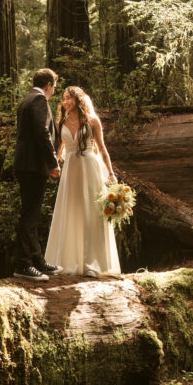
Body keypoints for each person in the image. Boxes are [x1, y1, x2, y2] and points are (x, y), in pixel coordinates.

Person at [44, 85, 121, 278]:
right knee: (70, 212)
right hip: (70, 171)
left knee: (90, 213)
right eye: (63, 99)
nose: (65, 102)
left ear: (78, 100)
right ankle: (68, 262)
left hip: (89, 168)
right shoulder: (61, 122)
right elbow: (58, 149)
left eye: (69, 98)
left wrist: (111, 174)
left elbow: (102, 149)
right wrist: (53, 166)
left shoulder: (92, 121)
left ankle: (92, 264)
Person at [13, 68, 61, 282]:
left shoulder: (26, 100)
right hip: (33, 165)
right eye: (54, 87)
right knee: (29, 215)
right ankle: (23, 264)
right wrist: (52, 163)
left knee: (31, 213)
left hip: (26, 165)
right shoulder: (39, 100)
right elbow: (42, 132)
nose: (53, 91)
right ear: (49, 85)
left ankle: (37, 261)